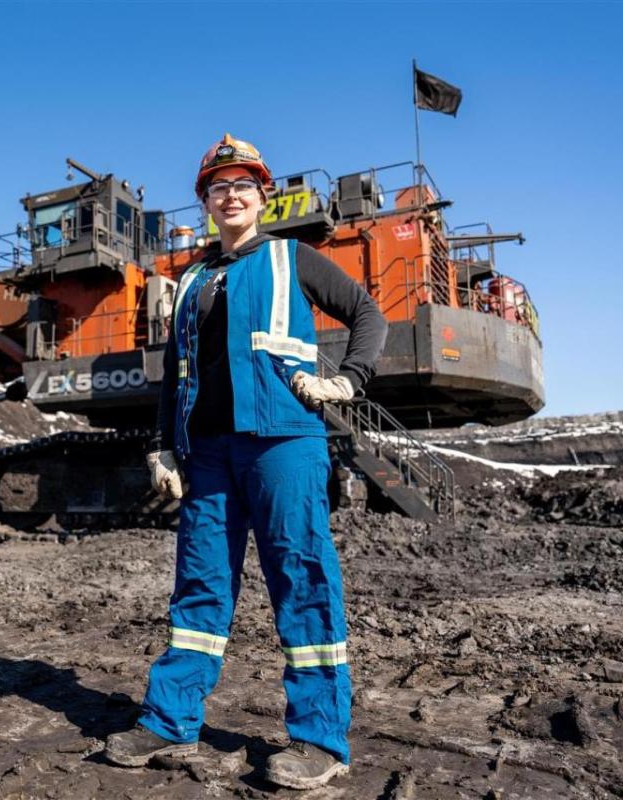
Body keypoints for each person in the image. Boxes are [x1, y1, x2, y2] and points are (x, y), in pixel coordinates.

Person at [104, 134, 388, 790]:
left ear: (263, 197)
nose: (230, 196)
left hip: (283, 443)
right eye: (216, 187)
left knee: (301, 576)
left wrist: (348, 380)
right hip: (207, 455)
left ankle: (318, 738)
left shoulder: (295, 259)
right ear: (205, 201)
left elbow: (366, 316)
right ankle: (169, 720)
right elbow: (175, 375)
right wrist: (161, 444)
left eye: (242, 186)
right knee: (200, 584)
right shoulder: (193, 280)